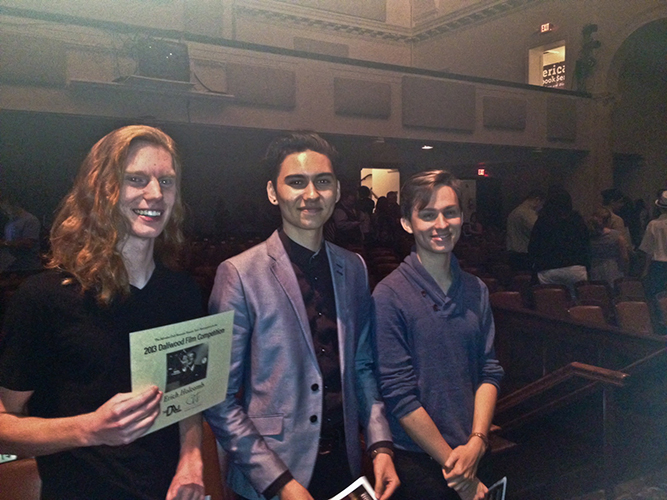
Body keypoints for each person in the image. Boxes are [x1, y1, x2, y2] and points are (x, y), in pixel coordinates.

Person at [0, 125, 205, 500]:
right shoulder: (44, 299)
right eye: (136, 179)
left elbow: (188, 397)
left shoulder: (183, 293)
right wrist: (90, 428)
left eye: (167, 181)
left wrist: (191, 459)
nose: (155, 194)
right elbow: (2, 426)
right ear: (101, 189)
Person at [205, 132, 399, 500]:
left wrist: (380, 445)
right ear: (273, 192)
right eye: (296, 182)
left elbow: (362, 366)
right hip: (272, 474)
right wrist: (281, 483)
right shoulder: (239, 274)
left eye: (322, 182)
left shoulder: (353, 267)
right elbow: (220, 399)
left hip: (344, 467)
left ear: (337, 191)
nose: (311, 194)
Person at [372, 170, 503, 500]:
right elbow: (398, 395)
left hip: (471, 452)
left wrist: (477, 441)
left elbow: (489, 371)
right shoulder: (389, 295)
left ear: (462, 217)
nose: (441, 224)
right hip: (419, 461)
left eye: (450, 212)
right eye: (427, 215)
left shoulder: (476, 290)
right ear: (407, 222)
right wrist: (458, 471)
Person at [528, 186, 590, 296]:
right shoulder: (577, 219)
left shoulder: (543, 221)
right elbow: (586, 244)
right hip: (575, 267)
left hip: (548, 268)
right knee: (577, 303)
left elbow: (533, 246)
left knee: (549, 303)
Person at [505, 190, 545, 272]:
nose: (541, 207)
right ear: (537, 200)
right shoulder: (527, 213)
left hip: (512, 252)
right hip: (523, 254)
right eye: (542, 204)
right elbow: (539, 231)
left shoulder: (515, 211)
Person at [0, 196, 42, 272]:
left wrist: (4, 243)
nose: (5, 212)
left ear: (15, 205)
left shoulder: (30, 220)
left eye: (6, 209)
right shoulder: (10, 222)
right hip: (12, 264)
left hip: (27, 266)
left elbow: (28, 243)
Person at [588, 207, 628, 287]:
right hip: (613, 269)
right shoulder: (617, 236)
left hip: (594, 269)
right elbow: (624, 257)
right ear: (609, 220)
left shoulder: (588, 236)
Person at [639, 190, 667, 300]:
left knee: (657, 298)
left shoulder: (653, 225)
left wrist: (645, 270)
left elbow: (648, 250)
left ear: (659, 208)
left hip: (658, 265)